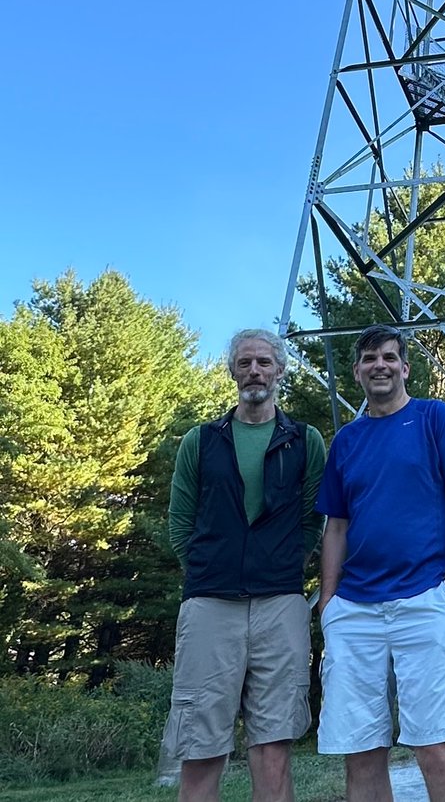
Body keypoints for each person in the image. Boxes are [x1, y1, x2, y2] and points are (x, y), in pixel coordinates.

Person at [316, 323, 445, 802]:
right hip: (355, 611)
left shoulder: (434, 418)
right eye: (370, 359)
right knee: (362, 753)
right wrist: (328, 601)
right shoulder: (346, 440)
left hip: (426, 600)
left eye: (389, 357)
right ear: (357, 372)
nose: (380, 365)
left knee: (438, 749)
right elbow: (337, 527)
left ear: (405, 367)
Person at [161, 328, 325, 802]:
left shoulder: (305, 441)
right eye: (246, 362)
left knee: (273, 745)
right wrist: (205, 568)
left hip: (280, 604)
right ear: (232, 370)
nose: (255, 371)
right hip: (210, 604)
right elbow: (179, 520)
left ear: (281, 371)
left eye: (265, 362)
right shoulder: (201, 440)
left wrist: (287, 562)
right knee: (200, 744)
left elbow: (314, 519)